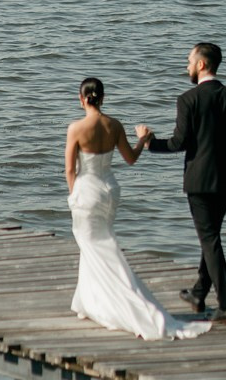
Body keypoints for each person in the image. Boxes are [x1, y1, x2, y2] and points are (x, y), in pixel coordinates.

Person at [66, 77, 211, 342]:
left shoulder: (75, 128)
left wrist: (74, 193)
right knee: (99, 244)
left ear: (81, 98)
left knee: (93, 245)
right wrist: (143, 139)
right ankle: (87, 301)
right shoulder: (115, 125)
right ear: (103, 97)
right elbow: (130, 159)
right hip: (110, 190)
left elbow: (68, 169)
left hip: (87, 191)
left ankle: (130, 304)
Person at [136, 41, 226, 324]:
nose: (187, 66)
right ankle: (198, 293)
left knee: (210, 240)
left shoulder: (188, 99)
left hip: (199, 182)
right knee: (211, 237)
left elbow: (179, 143)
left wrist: (149, 144)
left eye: (189, 61)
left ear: (202, 65)